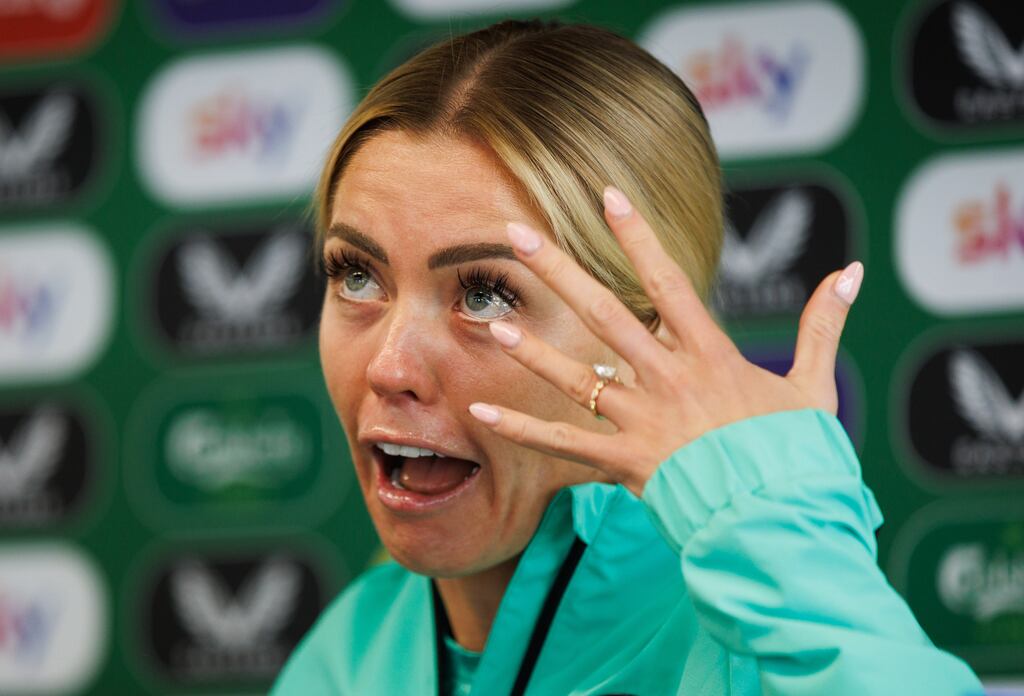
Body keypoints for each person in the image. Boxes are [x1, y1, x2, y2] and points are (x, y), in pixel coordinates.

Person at [271, 18, 984, 696]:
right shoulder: (350, 650)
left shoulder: (743, 636)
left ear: (645, 327)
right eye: (357, 276)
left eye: (485, 294)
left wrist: (772, 518)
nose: (389, 368)